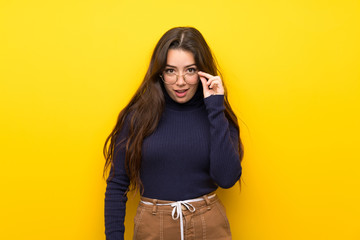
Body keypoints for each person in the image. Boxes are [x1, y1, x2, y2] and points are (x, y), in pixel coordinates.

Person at [103, 26, 244, 240]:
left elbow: (226, 179)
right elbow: (117, 185)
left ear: (202, 71)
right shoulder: (137, 117)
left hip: (209, 225)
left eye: (190, 70)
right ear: (160, 73)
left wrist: (215, 107)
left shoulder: (217, 115)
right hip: (153, 226)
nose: (180, 81)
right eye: (170, 71)